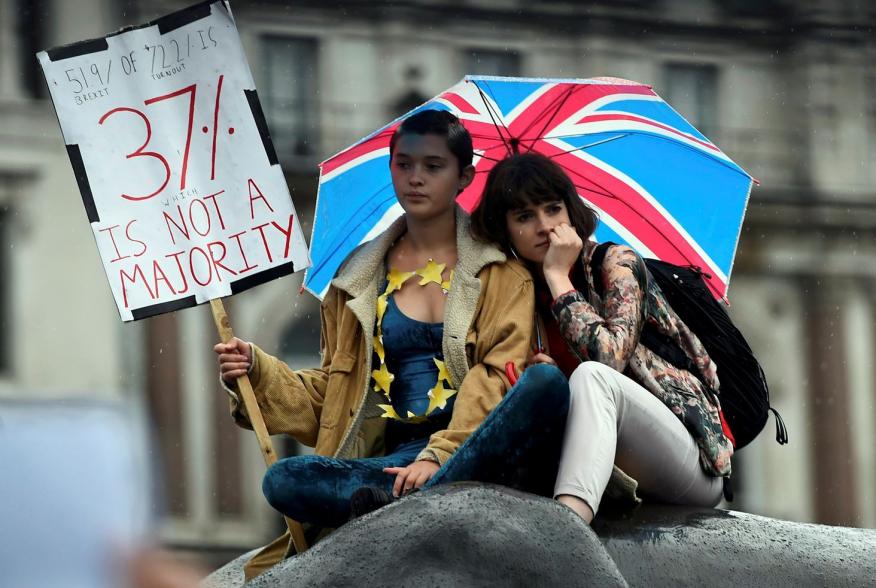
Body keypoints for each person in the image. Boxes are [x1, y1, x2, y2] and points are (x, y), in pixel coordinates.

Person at [214, 110, 539, 577]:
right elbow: (333, 396)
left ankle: (407, 495)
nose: (415, 179)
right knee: (285, 479)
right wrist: (257, 369)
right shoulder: (353, 283)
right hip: (386, 462)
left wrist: (439, 456)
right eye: (403, 164)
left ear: (464, 176)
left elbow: (494, 380)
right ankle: (388, 496)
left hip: (470, 450)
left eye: (432, 166)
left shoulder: (502, 276)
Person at [469, 152, 733, 524]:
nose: (544, 226)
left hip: (687, 457)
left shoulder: (617, 264)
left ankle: (567, 525)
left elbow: (608, 360)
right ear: (505, 229)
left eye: (553, 208)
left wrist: (559, 279)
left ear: (572, 211)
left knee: (593, 378)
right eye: (525, 217)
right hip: (606, 467)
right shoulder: (517, 295)